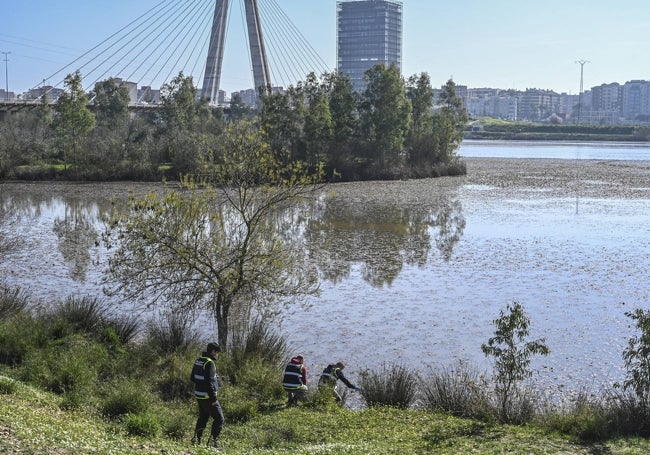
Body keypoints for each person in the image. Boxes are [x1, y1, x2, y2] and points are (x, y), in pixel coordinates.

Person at [190, 342, 224, 449]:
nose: (217, 355)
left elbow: (192, 378)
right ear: (213, 351)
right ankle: (214, 443)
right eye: (217, 353)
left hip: (199, 395)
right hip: (208, 397)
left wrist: (201, 386)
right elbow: (209, 382)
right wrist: (213, 399)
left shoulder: (198, 360)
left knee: (203, 417)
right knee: (219, 418)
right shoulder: (210, 363)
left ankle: (196, 439)